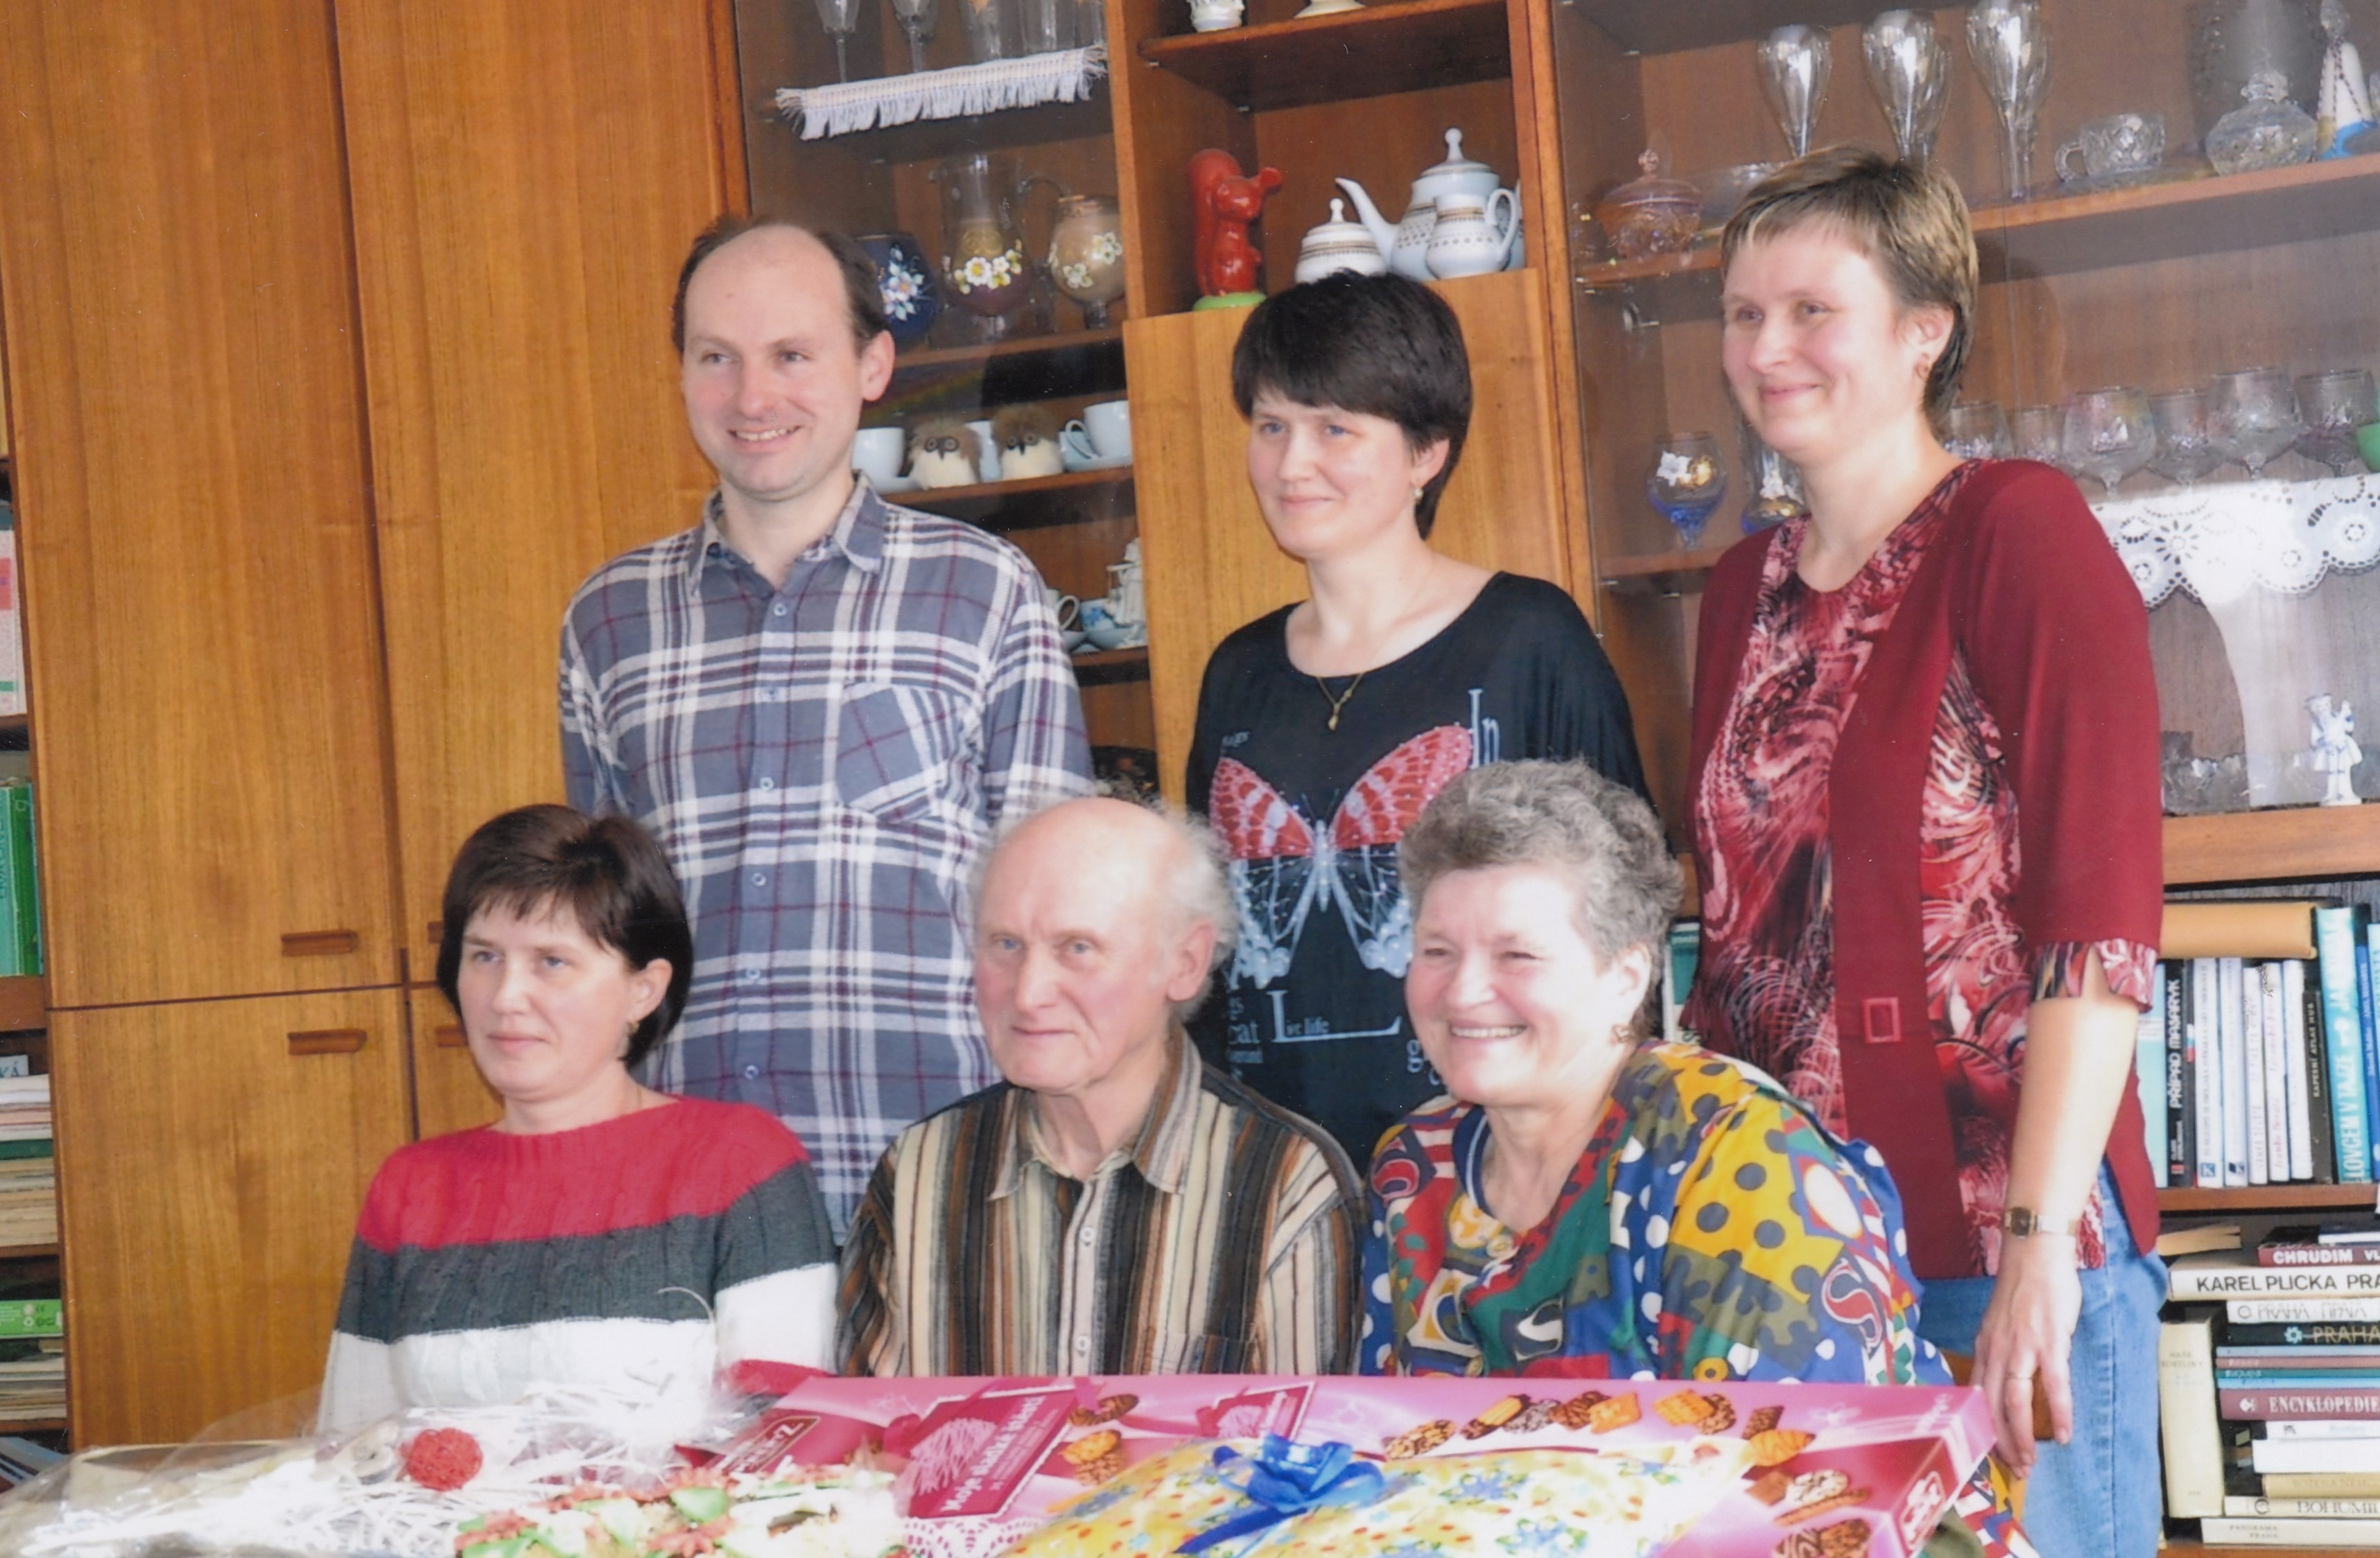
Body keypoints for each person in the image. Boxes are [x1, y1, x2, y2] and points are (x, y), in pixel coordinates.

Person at [1685, 149, 2164, 1558]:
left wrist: (2036, 1245)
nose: (1765, 348)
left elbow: (2098, 926)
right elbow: (1733, 943)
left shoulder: (2017, 528)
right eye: (1741, 314)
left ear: (1921, 331)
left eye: (1810, 310)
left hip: (1995, 1235)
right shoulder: (1737, 588)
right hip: (1784, 1253)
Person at [561, 218, 1093, 1237]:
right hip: (688, 1207)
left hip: (940, 1197)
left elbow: (1063, 917)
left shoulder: (984, 593)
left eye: (793, 356)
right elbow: (596, 941)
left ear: (873, 365)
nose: (752, 398)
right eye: (717, 358)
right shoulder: (608, 621)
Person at [1360, 762, 2030, 1557]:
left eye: (1517, 955)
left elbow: (1804, 1511)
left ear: (1625, 977)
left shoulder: (1733, 1155)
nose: (1463, 991)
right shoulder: (1414, 1166)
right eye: (1437, 950)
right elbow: (1382, 1466)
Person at [1185, 273, 1645, 1166]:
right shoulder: (1237, 672)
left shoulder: (1528, 639)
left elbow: (1624, 925)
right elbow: (1209, 946)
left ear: (1426, 453)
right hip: (1270, 1167)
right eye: (1271, 426)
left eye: (1334, 429)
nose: (1291, 463)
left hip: (1492, 1165)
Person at [320, 805, 836, 1436]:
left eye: (551, 961)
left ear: (644, 990)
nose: (506, 997)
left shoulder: (742, 1161)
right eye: (484, 956)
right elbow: (353, 1445)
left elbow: (784, 1444)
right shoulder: (411, 1185)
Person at [839, 794, 1362, 1376]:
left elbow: (1308, 1430)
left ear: (1185, 963)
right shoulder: (917, 1173)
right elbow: (868, 1429)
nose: (1028, 993)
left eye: (1077, 949)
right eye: (1005, 944)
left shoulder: (1286, 1181)